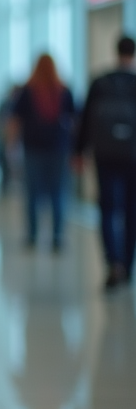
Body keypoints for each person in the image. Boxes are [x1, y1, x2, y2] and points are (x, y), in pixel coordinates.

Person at [75, 35, 136, 290]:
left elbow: (85, 119)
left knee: (108, 208)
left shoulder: (100, 83)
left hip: (105, 155)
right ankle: (127, 264)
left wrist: (79, 152)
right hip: (133, 155)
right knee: (131, 211)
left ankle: (113, 262)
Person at [8, 54, 75, 252]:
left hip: (33, 147)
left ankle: (32, 235)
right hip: (58, 147)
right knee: (58, 193)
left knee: (32, 194)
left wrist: (12, 146)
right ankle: (57, 237)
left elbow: (14, 121)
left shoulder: (27, 91)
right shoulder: (64, 91)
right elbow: (74, 121)